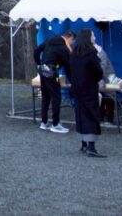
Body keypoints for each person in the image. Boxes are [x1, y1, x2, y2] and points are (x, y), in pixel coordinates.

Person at [70, 29, 106, 157]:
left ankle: (83, 144)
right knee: (91, 115)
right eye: (92, 35)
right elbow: (98, 72)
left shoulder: (73, 53)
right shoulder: (91, 53)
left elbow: (70, 71)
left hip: (76, 89)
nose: (94, 37)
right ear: (88, 38)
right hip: (89, 89)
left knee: (80, 115)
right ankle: (91, 147)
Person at [33, 29, 74, 133]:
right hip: (52, 73)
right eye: (72, 41)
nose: (71, 43)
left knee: (45, 97)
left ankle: (44, 122)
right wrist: (72, 80)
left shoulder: (49, 40)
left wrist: (39, 62)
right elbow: (68, 66)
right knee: (56, 97)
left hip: (43, 71)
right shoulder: (64, 48)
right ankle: (55, 124)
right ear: (70, 38)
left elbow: (36, 50)